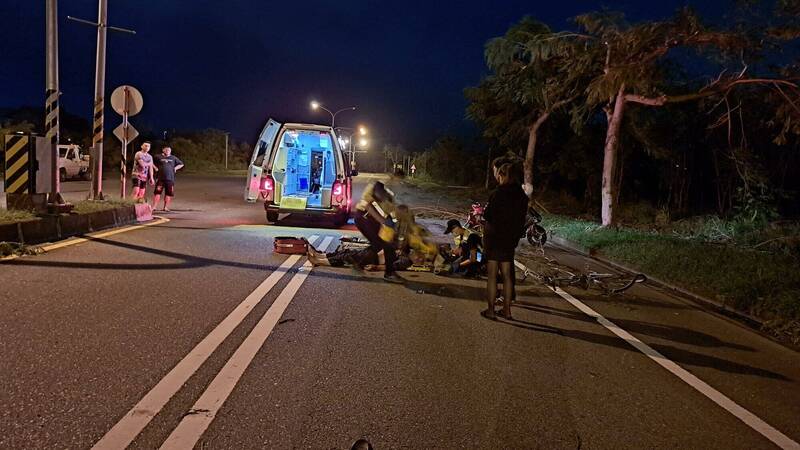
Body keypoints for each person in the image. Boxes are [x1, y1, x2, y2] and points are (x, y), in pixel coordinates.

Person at [482, 162, 528, 320]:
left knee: (493, 275)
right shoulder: (522, 196)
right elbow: (522, 219)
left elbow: (488, 215)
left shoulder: (498, 193)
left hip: (494, 238)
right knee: (508, 276)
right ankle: (507, 310)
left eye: (500, 176)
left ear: (504, 176)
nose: (499, 179)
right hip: (510, 239)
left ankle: (491, 310)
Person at [353, 181, 404, 283]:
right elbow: (367, 205)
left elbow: (391, 211)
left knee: (385, 244)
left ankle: (360, 264)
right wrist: (383, 221)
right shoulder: (376, 187)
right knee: (382, 244)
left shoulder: (389, 194)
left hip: (370, 219)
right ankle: (388, 273)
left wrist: (394, 224)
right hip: (364, 218)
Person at [152, 146, 185, 212]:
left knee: (168, 193)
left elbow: (181, 164)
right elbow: (150, 162)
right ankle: (154, 207)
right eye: (166, 150)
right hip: (160, 178)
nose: (167, 151)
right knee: (157, 193)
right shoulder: (158, 156)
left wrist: (175, 168)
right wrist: (155, 168)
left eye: (169, 150)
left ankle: (165, 207)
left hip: (170, 179)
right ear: (163, 150)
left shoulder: (173, 158)